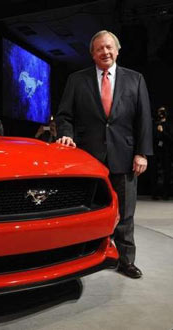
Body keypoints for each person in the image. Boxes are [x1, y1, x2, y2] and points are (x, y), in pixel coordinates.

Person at [55, 30, 153, 279]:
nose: (105, 52)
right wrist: (66, 134)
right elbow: (65, 115)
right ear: (92, 54)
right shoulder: (77, 80)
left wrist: (142, 152)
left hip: (125, 154)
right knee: (86, 210)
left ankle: (125, 260)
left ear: (117, 50)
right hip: (89, 158)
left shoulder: (135, 79)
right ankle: (81, 258)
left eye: (109, 47)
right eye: (99, 48)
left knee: (126, 212)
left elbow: (144, 119)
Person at [150, 106, 172, 200]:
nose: (161, 114)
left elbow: (170, 138)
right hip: (156, 152)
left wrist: (162, 132)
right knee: (154, 172)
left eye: (162, 112)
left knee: (166, 172)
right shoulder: (154, 124)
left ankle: (166, 193)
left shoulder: (169, 125)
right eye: (159, 111)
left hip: (166, 152)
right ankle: (155, 193)